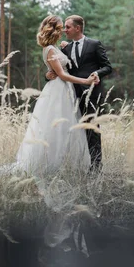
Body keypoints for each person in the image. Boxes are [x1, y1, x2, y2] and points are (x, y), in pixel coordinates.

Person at [0, 15, 97, 177]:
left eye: (65, 28)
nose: (64, 30)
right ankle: (50, 163)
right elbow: (62, 75)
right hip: (58, 91)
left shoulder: (55, 48)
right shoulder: (50, 50)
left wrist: (66, 47)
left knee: (65, 127)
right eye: (60, 28)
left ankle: (66, 164)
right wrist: (86, 81)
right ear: (54, 30)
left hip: (64, 90)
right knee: (55, 128)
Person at [46, 15, 112, 173]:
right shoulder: (65, 49)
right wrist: (47, 76)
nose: (64, 30)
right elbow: (58, 69)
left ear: (77, 28)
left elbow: (108, 66)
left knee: (92, 129)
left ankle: (95, 167)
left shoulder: (94, 44)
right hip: (70, 95)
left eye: (67, 27)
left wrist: (97, 73)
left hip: (91, 94)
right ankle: (72, 165)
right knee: (72, 130)